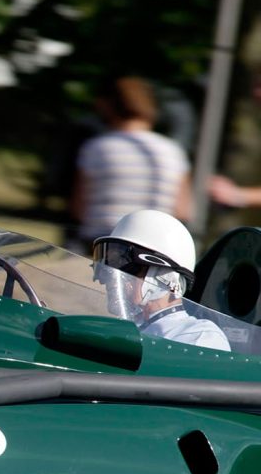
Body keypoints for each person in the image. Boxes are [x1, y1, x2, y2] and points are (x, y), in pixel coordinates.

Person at [71, 77, 192, 252]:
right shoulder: (173, 151)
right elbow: (183, 210)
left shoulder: (95, 148)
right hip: (153, 248)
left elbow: (79, 209)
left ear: (109, 107)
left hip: (100, 246)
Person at [92, 209, 230, 351]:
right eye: (106, 267)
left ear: (165, 275)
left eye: (121, 264)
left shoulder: (199, 338)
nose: (109, 279)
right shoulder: (117, 333)